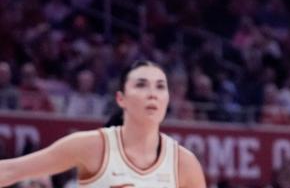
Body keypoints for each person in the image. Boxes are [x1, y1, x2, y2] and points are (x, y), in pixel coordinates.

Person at [0, 60, 205, 188]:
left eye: (160, 87)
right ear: (121, 99)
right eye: (141, 85)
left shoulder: (184, 163)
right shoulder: (91, 146)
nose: (152, 94)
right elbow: (10, 170)